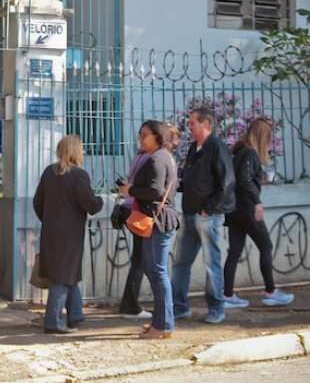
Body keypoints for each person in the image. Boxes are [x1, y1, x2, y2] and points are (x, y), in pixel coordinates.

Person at [33, 135, 103, 334]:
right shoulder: (79, 175)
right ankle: (53, 321)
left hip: (50, 232)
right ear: (75, 151)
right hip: (70, 234)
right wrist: (100, 201)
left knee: (67, 272)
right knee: (62, 276)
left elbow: (38, 202)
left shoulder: (49, 172)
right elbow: (90, 204)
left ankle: (75, 314)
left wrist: (48, 220)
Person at [172, 107, 235, 324]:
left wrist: (209, 207)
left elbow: (227, 182)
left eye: (193, 123)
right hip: (189, 213)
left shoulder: (217, 147)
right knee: (180, 262)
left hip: (208, 216)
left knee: (211, 263)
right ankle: (179, 307)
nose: (189, 127)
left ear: (206, 123)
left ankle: (216, 308)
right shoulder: (193, 148)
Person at [223, 118, 294, 308]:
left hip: (233, 210)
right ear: (263, 137)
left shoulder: (238, 151)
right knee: (266, 246)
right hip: (246, 208)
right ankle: (271, 292)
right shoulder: (250, 153)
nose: (270, 143)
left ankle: (227, 296)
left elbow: (239, 179)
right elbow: (245, 180)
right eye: (269, 138)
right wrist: (257, 202)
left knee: (234, 252)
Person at [119, 121, 180, 339]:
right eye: (140, 134)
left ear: (158, 136)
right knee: (155, 272)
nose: (141, 139)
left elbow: (155, 191)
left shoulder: (156, 158)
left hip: (158, 221)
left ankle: (162, 326)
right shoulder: (165, 156)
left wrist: (130, 190)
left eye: (145, 135)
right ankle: (163, 324)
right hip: (159, 219)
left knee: (157, 273)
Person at [117, 145, 152, 320]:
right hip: (139, 211)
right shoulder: (149, 158)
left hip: (130, 208)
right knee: (142, 260)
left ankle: (129, 304)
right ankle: (130, 305)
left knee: (140, 259)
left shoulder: (139, 156)